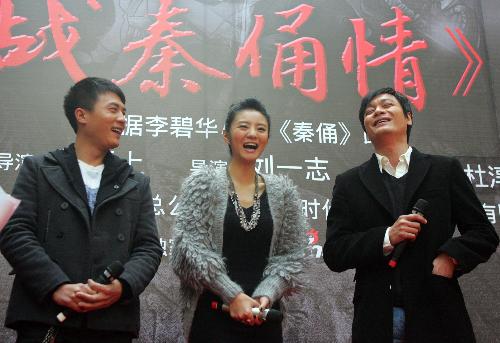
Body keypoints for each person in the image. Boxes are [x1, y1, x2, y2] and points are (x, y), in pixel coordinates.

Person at [323, 87, 499, 343]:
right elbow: (335, 252)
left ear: (408, 117)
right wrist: (387, 237)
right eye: (370, 111)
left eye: (386, 105)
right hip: (378, 317)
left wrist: (450, 258)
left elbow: (483, 233)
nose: (378, 111)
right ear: (365, 129)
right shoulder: (349, 183)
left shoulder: (443, 169)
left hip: (438, 311)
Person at [0, 77, 163, 342]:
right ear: (82, 114)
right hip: (46, 317)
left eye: (124, 112)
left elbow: (149, 247)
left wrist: (121, 287)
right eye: (113, 109)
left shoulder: (135, 181)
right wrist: (56, 285)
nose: (122, 118)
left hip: (110, 323)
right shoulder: (39, 168)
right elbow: (14, 231)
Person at [171, 98, 308, 342]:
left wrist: (267, 293)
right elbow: (188, 250)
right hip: (213, 315)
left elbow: (293, 255)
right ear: (226, 135)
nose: (252, 134)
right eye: (243, 126)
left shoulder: (283, 192)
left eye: (261, 129)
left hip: (263, 317)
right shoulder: (202, 183)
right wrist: (232, 295)